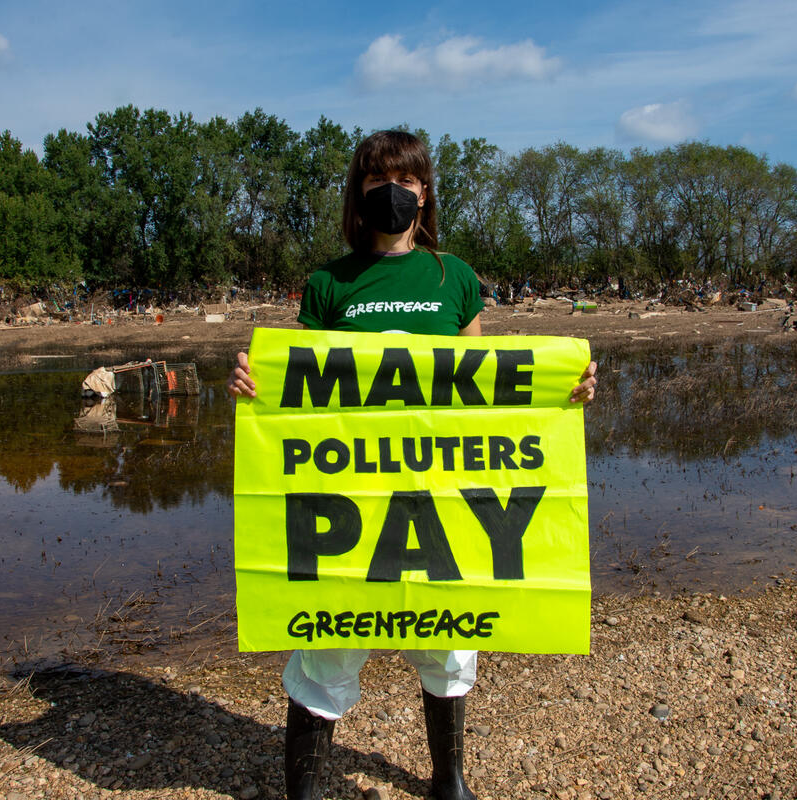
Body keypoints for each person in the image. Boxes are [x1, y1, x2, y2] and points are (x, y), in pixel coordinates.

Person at [227, 129, 597, 800]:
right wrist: (258, 388)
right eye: (376, 183)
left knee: (451, 638)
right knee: (328, 639)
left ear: (424, 194)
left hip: (439, 495)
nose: (390, 194)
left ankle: (448, 780)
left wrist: (565, 394)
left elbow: (484, 392)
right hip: (352, 495)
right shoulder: (328, 282)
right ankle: (305, 792)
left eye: (404, 181)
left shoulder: (454, 277)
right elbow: (303, 396)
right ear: (359, 195)